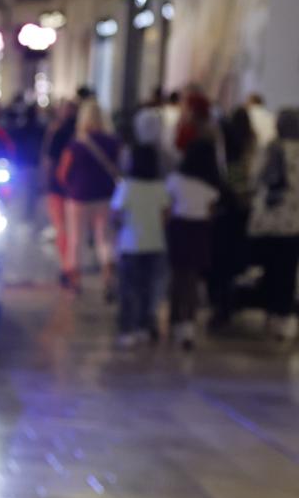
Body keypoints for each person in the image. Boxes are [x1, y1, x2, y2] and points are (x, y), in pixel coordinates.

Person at [56, 98, 121, 294]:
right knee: (105, 238)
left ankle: (75, 282)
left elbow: (62, 172)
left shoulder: (77, 144)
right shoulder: (113, 142)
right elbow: (119, 167)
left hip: (79, 195)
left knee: (76, 239)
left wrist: (70, 186)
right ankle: (108, 277)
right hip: (105, 196)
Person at [165, 138, 223, 349]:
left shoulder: (174, 180)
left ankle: (174, 316)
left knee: (177, 276)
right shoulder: (210, 187)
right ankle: (187, 322)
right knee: (191, 279)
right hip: (199, 233)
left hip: (177, 231)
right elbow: (211, 213)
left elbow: (167, 208)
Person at [248, 107, 299, 342]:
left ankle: (269, 312)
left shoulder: (271, 148)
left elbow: (254, 177)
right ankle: (283, 315)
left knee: (269, 268)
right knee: (287, 272)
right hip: (293, 221)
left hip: (268, 220)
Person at [110, 143, 168, 347]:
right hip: (154, 244)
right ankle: (144, 326)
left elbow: (116, 215)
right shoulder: (160, 188)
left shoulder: (127, 187)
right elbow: (165, 215)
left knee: (128, 290)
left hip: (130, 244)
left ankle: (127, 329)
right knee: (147, 289)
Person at [209, 107, 256, 328]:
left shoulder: (233, 159)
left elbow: (236, 190)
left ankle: (223, 306)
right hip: (240, 217)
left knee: (222, 265)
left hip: (228, 218)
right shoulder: (248, 151)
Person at [41, 97, 79, 283]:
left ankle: (67, 267)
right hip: (76, 189)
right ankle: (71, 267)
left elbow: (49, 160)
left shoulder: (57, 132)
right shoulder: (80, 134)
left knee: (62, 229)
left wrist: (46, 183)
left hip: (59, 187)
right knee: (73, 231)